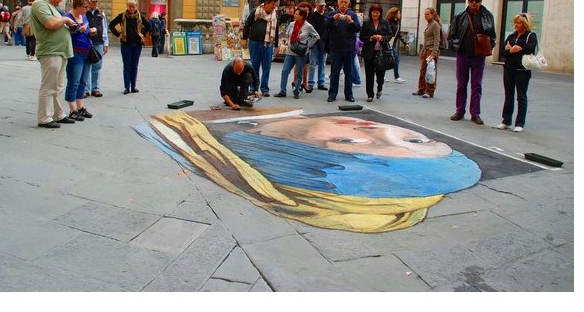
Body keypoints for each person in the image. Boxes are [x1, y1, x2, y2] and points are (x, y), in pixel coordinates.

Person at [138, 111, 481, 233]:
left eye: (350, 141)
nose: (375, 127)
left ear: (296, 157)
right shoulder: (281, 114)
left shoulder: (183, 133)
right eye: (416, 139)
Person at [31, 0, 78, 128]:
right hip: (51, 51)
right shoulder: (40, 4)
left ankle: (58, 114)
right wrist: (65, 19)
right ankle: (44, 117)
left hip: (59, 51)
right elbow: (50, 24)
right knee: (49, 86)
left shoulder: (51, 6)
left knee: (58, 86)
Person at [448, 0, 496, 125]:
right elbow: (451, 35)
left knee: (477, 85)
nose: (474, 3)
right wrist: (456, 46)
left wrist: (488, 47)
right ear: (468, 1)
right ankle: (460, 110)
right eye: (471, 0)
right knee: (461, 84)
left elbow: (493, 35)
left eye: (477, 0)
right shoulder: (460, 16)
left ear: (481, 1)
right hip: (463, 54)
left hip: (479, 56)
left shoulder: (487, 16)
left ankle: (475, 113)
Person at [496, 13, 537, 132]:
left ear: (525, 24)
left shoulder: (531, 35)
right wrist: (512, 50)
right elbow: (503, 51)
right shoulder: (511, 36)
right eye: (515, 22)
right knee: (508, 95)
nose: (516, 25)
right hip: (509, 68)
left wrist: (514, 49)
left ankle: (520, 123)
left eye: (519, 23)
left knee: (521, 96)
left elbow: (530, 48)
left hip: (522, 69)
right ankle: (506, 120)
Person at [274, 5, 319, 99]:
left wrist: (308, 46)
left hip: (300, 53)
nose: (294, 15)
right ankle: (282, 91)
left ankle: (296, 91)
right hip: (290, 52)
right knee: (285, 71)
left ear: (301, 16)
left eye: (296, 14)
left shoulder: (308, 26)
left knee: (299, 73)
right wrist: (282, 45)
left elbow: (316, 36)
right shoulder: (291, 24)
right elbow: (286, 35)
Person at [63, 0, 95, 121]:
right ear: (77, 5)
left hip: (87, 51)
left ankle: (80, 107)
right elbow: (65, 36)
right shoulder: (67, 17)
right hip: (75, 53)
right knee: (74, 81)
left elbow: (85, 31)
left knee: (83, 81)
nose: (87, 9)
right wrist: (78, 31)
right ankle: (72, 110)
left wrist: (89, 31)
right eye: (85, 7)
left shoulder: (84, 16)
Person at [108, 0, 151, 94]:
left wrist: (143, 33)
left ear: (136, 7)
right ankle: (126, 87)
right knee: (127, 66)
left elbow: (148, 25)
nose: (131, 8)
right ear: (127, 6)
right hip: (125, 44)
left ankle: (133, 86)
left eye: (133, 6)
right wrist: (117, 34)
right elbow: (111, 25)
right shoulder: (122, 16)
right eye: (130, 6)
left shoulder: (139, 16)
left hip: (137, 45)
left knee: (134, 66)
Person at [241, 0, 280, 97]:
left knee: (267, 67)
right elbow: (247, 25)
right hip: (255, 43)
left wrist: (276, 45)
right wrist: (244, 39)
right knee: (254, 66)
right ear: (266, 3)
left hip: (268, 44)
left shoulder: (275, 15)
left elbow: (276, 31)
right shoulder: (256, 12)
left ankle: (264, 88)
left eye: (275, 5)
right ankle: (253, 88)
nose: (274, 7)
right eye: (272, 4)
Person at [324, 0, 361, 102]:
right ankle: (332, 94)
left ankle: (349, 95)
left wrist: (351, 21)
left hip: (349, 48)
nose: (343, 4)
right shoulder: (332, 14)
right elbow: (325, 26)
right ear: (338, 3)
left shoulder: (353, 15)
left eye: (346, 2)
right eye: (342, 2)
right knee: (335, 72)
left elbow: (358, 28)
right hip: (335, 48)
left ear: (349, 3)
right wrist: (332, 19)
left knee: (348, 73)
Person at [360, 4, 391, 102]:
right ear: (371, 13)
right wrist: (371, 38)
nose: (375, 14)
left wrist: (382, 38)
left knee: (380, 73)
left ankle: (380, 87)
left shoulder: (385, 23)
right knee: (369, 74)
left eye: (377, 13)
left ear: (380, 13)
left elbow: (390, 35)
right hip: (369, 52)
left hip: (381, 52)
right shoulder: (366, 23)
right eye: (373, 12)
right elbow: (362, 37)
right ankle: (370, 94)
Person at [413, 8, 442, 99]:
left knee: (430, 71)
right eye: (424, 14)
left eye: (427, 14)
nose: (425, 16)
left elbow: (437, 39)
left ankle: (429, 91)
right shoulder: (429, 24)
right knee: (423, 70)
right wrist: (422, 50)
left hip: (432, 50)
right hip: (426, 49)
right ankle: (421, 88)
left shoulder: (435, 25)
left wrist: (434, 52)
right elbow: (426, 40)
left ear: (432, 15)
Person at [84, 0, 109, 97]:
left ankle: (95, 88)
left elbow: (104, 28)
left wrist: (106, 43)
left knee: (97, 66)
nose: (95, 3)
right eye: (93, 1)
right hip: (86, 42)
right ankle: (85, 89)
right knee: (86, 66)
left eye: (96, 1)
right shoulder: (84, 12)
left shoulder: (101, 13)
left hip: (98, 42)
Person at [307, 0, 328, 91]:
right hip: (315, 42)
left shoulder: (326, 16)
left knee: (322, 63)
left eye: (323, 5)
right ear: (316, 5)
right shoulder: (312, 16)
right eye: (320, 6)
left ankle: (321, 82)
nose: (322, 7)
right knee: (313, 63)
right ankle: (311, 82)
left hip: (323, 42)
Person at [386, 7, 409, 83]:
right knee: (393, 59)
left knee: (393, 60)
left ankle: (394, 76)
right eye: (398, 13)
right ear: (395, 14)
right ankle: (396, 77)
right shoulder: (389, 23)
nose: (400, 14)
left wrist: (405, 43)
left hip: (393, 44)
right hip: (389, 44)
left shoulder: (396, 23)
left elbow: (398, 34)